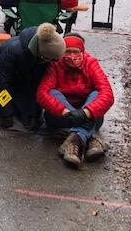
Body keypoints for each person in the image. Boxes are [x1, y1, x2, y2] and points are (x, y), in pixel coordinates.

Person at [37, 34, 114, 168]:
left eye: (76, 51)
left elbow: (107, 94)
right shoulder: (55, 64)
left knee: (97, 93)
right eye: (68, 51)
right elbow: (42, 93)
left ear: (82, 52)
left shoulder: (91, 63)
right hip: (62, 116)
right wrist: (68, 113)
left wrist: (85, 113)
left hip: (88, 114)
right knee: (52, 92)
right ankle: (91, 139)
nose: (72, 55)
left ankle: (73, 142)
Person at [0, 23, 66, 129]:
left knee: (29, 118)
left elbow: (36, 84)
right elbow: (2, 85)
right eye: (53, 59)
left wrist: (35, 114)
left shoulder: (43, 55)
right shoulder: (12, 51)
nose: (55, 62)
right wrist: (6, 113)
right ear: (42, 55)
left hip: (21, 77)